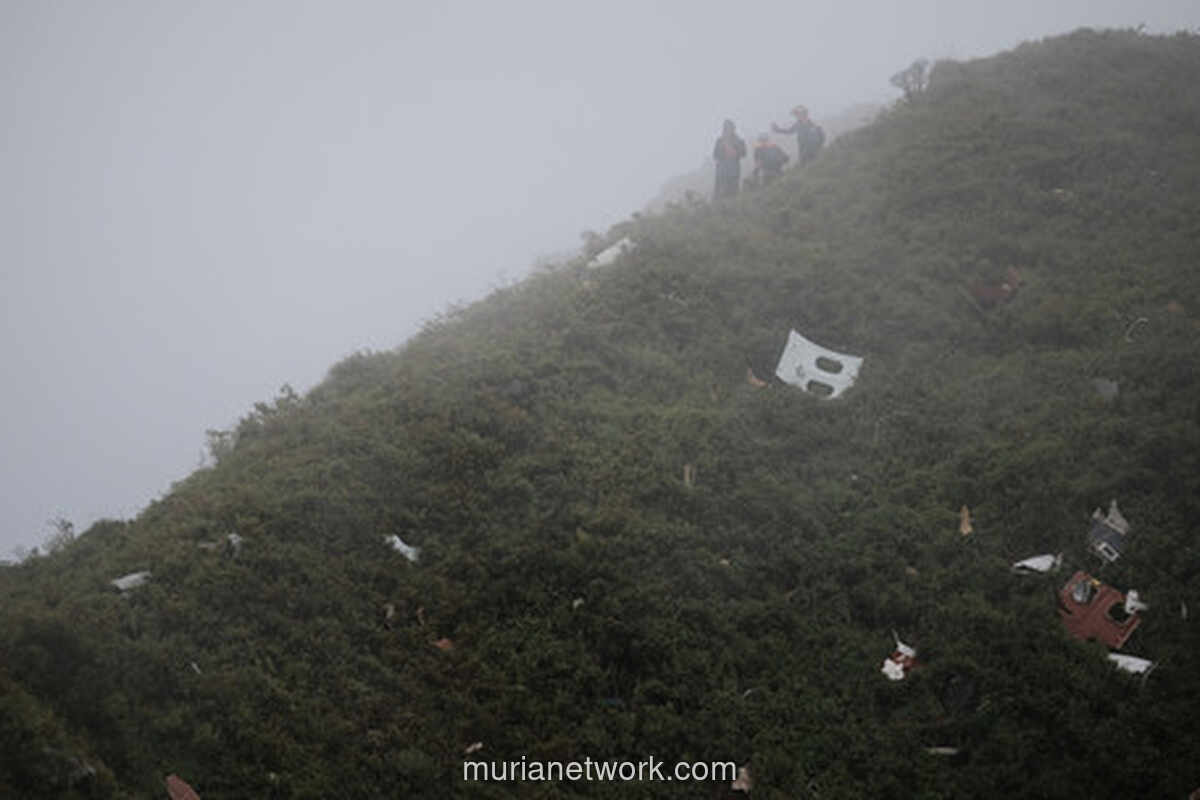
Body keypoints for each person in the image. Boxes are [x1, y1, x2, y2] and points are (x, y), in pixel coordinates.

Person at [712, 119, 746, 200]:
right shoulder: (720, 141)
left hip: (734, 169)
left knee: (733, 191)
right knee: (719, 191)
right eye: (726, 128)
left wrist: (735, 153)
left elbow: (743, 153)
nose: (728, 130)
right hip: (722, 169)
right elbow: (715, 154)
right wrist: (724, 153)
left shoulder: (738, 140)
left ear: (733, 129)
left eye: (730, 128)